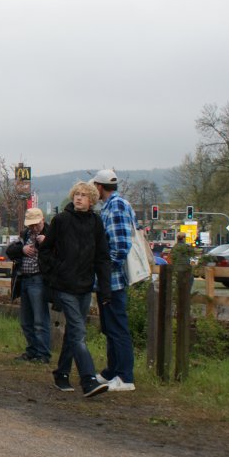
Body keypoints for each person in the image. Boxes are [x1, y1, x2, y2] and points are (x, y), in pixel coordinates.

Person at [38, 181, 112, 398]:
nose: (79, 198)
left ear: (92, 200)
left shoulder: (96, 222)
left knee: (73, 332)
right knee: (79, 332)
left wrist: (105, 289)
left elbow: (102, 257)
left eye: (83, 195)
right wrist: (56, 272)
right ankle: (88, 380)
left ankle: (61, 373)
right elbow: (45, 251)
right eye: (76, 194)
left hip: (85, 286)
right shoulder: (61, 220)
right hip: (65, 286)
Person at [91, 169, 138, 393]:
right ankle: (112, 371)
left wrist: (105, 272)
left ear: (99, 187)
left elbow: (120, 246)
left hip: (113, 280)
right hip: (108, 279)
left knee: (118, 328)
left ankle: (125, 376)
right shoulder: (111, 206)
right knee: (110, 327)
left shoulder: (116, 206)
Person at [6, 208, 51, 364]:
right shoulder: (25, 235)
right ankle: (32, 350)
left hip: (39, 279)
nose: (34, 228)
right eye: (31, 225)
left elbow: (59, 253)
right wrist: (22, 249)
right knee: (26, 321)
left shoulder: (51, 233)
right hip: (24, 279)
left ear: (42, 220)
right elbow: (9, 251)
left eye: (36, 224)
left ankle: (43, 353)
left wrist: (46, 243)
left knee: (40, 320)